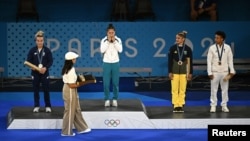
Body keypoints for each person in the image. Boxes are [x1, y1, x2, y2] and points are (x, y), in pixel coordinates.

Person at [61, 51, 91, 136]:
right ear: (71, 60)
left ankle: (82, 128)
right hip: (69, 90)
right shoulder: (70, 70)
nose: (75, 59)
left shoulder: (69, 68)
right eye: (74, 58)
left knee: (76, 109)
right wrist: (84, 82)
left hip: (71, 90)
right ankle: (66, 132)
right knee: (70, 111)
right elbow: (71, 85)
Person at [207, 31, 235, 113]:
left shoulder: (228, 47)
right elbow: (209, 61)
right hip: (215, 72)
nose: (215, 39)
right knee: (213, 89)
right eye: (215, 37)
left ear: (222, 39)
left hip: (225, 72)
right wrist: (209, 72)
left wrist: (232, 71)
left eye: (217, 38)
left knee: (225, 89)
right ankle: (213, 105)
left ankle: (224, 105)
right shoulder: (212, 48)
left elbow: (230, 60)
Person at [27, 30, 53, 113]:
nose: (39, 42)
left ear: (43, 40)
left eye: (41, 40)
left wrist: (45, 68)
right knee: (36, 90)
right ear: (36, 41)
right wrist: (32, 67)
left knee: (46, 90)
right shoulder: (32, 50)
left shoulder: (47, 50)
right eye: (38, 41)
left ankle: (48, 106)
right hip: (35, 73)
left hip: (45, 73)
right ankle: (36, 106)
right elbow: (28, 61)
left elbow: (50, 61)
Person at [168, 31, 193, 113]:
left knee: (182, 89)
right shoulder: (172, 48)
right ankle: (175, 105)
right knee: (174, 89)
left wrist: (190, 73)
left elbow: (190, 62)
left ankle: (181, 105)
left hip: (184, 72)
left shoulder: (188, 49)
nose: (177, 39)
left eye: (178, 38)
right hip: (174, 71)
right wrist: (170, 72)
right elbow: (169, 61)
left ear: (183, 39)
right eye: (176, 38)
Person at [100, 23, 123, 107]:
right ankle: (106, 99)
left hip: (115, 63)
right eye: (109, 33)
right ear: (107, 33)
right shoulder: (103, 40)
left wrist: (114, 42)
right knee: (106, 83)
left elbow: (120, 50)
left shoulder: (118, 40)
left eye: (112, 33)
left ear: (115, 32)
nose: (111, 34)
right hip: (106, 63)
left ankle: (115, 99)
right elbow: (102, 50)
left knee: (115, 83)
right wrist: (108, 42)